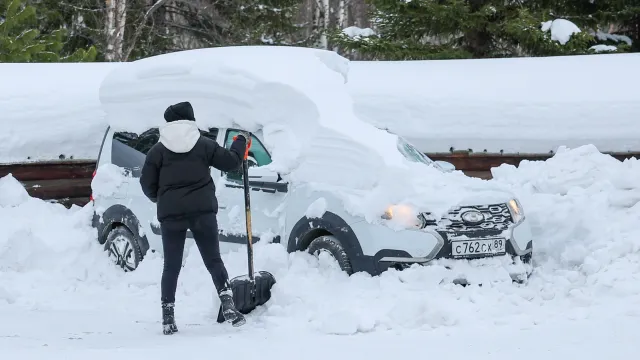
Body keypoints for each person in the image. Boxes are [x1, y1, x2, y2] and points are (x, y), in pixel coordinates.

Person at [140, 101, 249, 335]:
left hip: (171, 215)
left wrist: (160, 198)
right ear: (190, 121)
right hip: (202, 211)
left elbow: (146, 183)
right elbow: (231, 162)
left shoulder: (157, 151)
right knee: (213, 261)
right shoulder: (204, 145)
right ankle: (228, 303)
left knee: (171, 266)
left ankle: (168, 317)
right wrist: (240, 142)